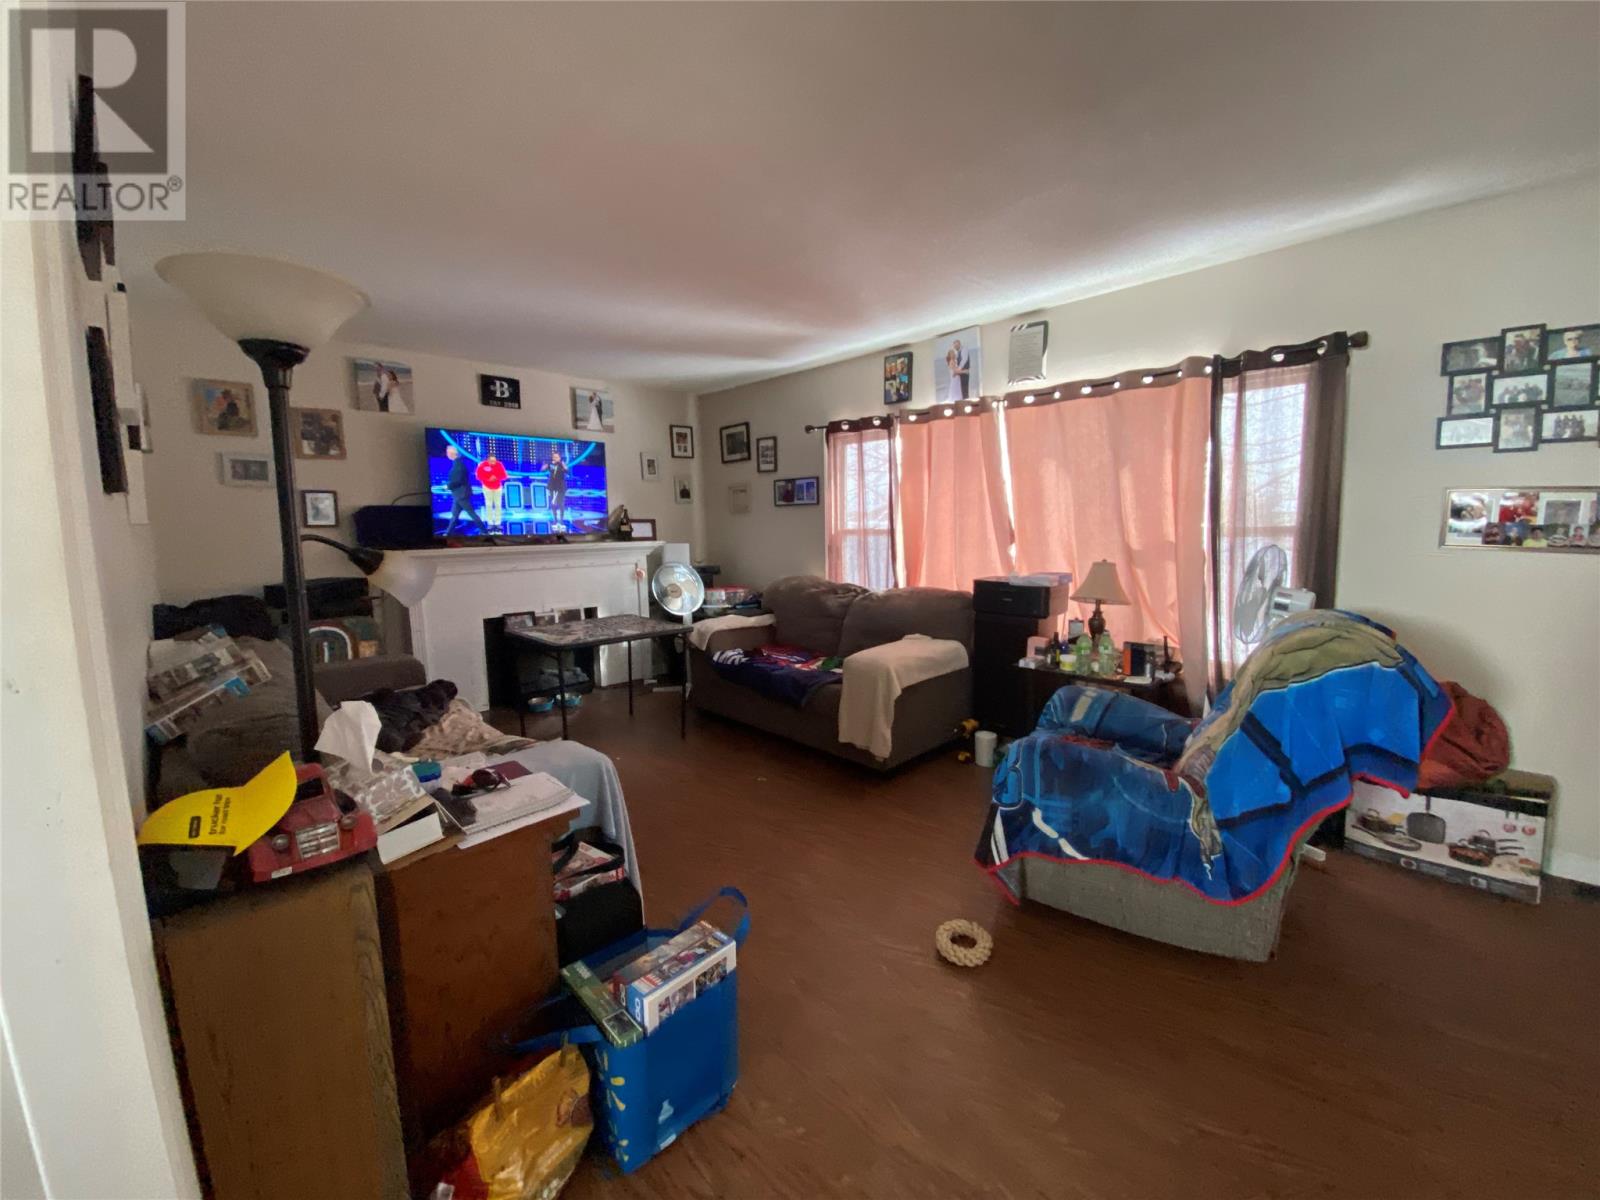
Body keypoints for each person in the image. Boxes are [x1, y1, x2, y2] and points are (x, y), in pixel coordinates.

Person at [442, 445, 487, 535]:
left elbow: (458, 481)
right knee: (455, 515)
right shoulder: (457, 464)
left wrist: (448, 486)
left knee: (471, 513)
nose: (447, 454)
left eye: (448, 452)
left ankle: (484, 531)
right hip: (458, 494)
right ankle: (448, 533)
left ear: (452, 454)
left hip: (461, 494)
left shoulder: (458, 465)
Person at [476, 451, 508, 527]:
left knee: (498, 505)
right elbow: (478, 476)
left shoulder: (499, 464)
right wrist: (488, 479)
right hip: (487, 487)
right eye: (492, 461)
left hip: (497, 487)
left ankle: (497, 522)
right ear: (488, 460)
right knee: (489, 505)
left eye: (494, 461)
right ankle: (490, 522)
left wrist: (496, 477)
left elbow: (504, 476)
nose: (493, 462)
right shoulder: (482, 465)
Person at [547, 448, 568, 527]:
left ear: (559, 458)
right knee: (553, 504)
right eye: (554, 457)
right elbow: (542, 470)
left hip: (561, 487)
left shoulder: (562, 464)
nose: (555, 458)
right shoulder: (550, 464)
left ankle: (561, 520)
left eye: (556, 457)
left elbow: (567, 471)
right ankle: (555, 520)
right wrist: (545, 465)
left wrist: (563, 465)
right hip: (552, 486)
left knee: (561, 503)